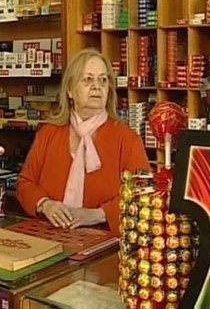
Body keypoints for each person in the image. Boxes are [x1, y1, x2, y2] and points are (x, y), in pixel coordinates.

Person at [17, 48, 150, 233]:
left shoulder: (127, 140)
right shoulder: (48, 134)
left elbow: (143, 194)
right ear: (70, 90)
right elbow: (25, 183)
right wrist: (45, 204)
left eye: (103, 80)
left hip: (105, 239)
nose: (97, 86)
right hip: (50, 235)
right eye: (88, 79)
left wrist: (98, 214)